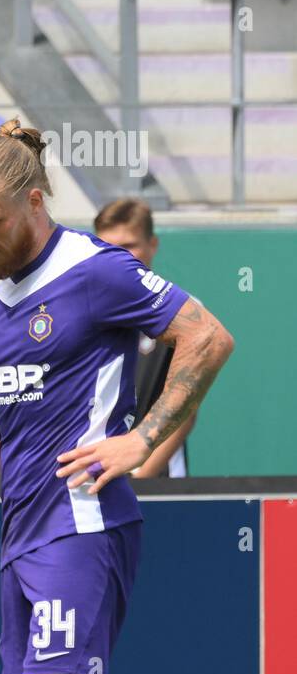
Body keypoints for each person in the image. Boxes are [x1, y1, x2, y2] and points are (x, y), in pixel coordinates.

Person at [0, 119, 234, 674]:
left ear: (32, 202)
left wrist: (143, 438)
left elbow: (208, 337)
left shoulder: (96, 269)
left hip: (83, 521)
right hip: (22, 529)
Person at [93, 197, 194, 478]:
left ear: (153, 245)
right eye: (107, 246)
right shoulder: (81, 311)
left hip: (156, 479)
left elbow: (185, 410)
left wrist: (140, 478)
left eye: (128, 246)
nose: (117, 255)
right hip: (91, 477)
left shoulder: (184, 315)